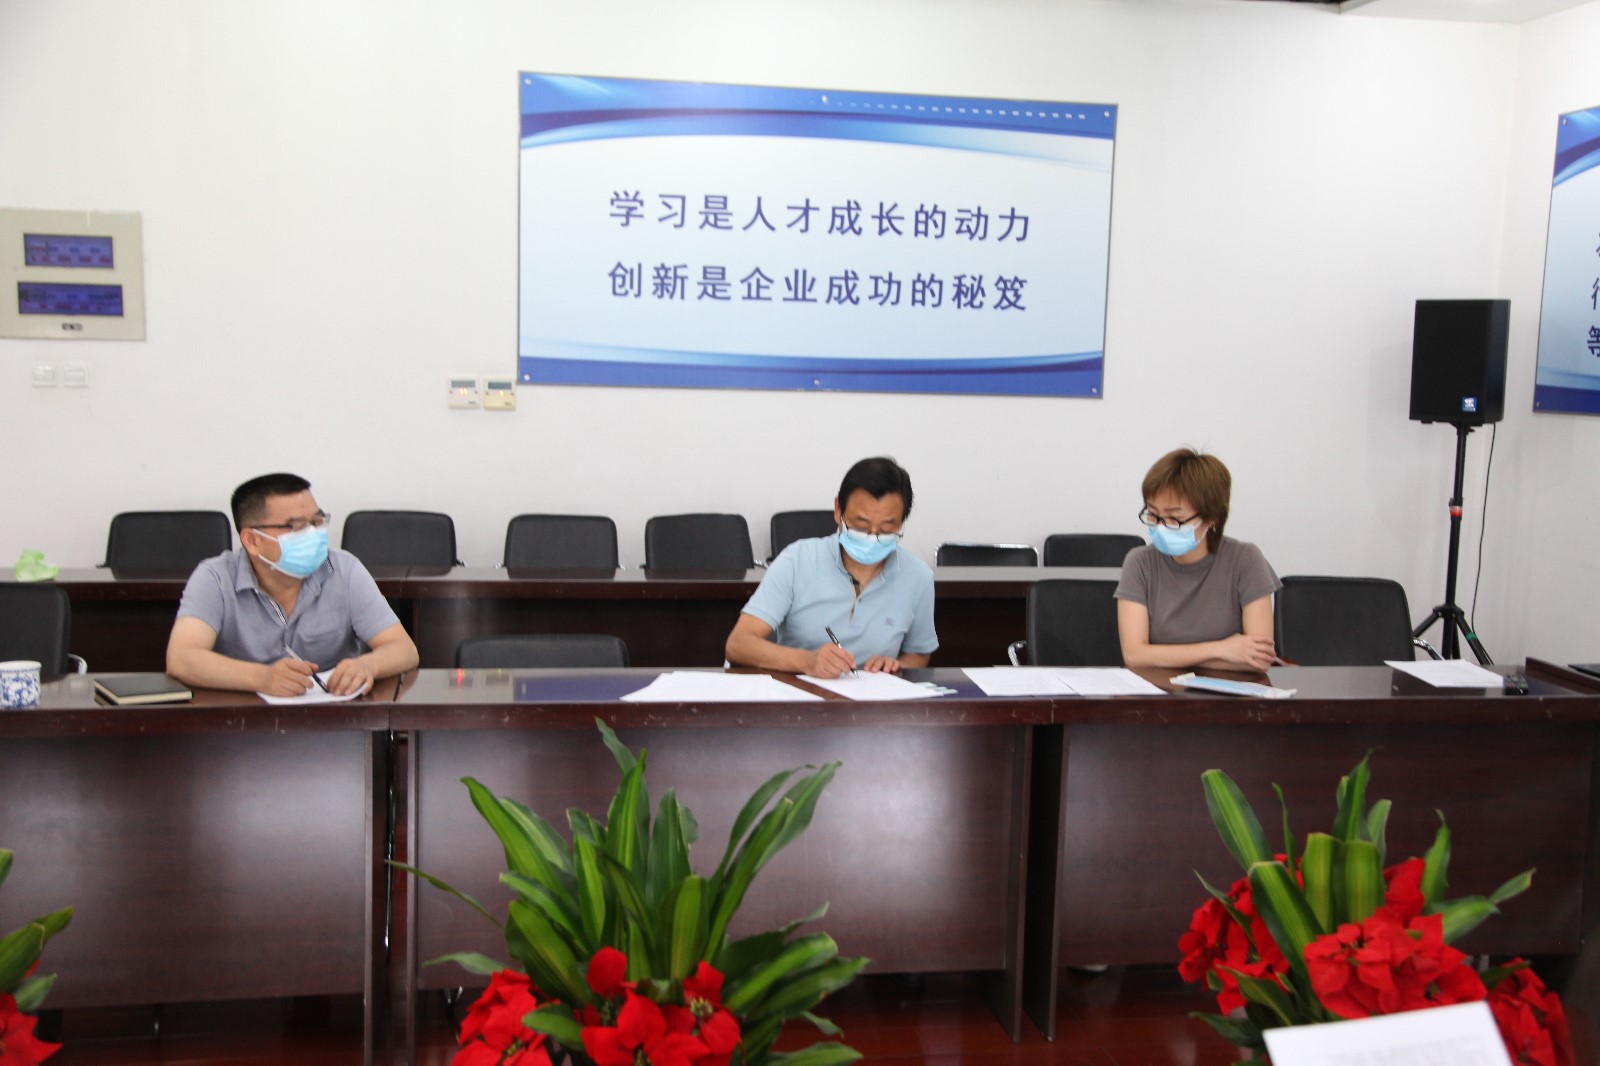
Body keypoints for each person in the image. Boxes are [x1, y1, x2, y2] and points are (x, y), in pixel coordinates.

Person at [166, 473, 420, 696]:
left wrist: (368, 665)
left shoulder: (344, 569)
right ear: (252, 540)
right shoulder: (215, 577)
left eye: (317, 522)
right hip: (240, 721)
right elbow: (182, 659)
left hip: (333, 719)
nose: (313, 534)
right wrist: (262, 678)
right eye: (297, 526)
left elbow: (404, 649)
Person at [725, 457, 937, 678]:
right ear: (838, 510)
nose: (872, 538)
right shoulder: (797, 560)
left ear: (901, 522)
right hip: (801, 692)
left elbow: (919, 654)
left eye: (886, 530)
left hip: (874, 697)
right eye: (861, 527)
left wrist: (895, 666)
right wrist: (806, 661)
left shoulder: (918, 577)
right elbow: (739, 644)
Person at [1114, 448, 1280, 671]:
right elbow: (1135, 656)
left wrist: (1163, 656)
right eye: (1153, 515)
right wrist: (1222, 650)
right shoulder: (1139, 563)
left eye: (1175, 518)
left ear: (1212, 518)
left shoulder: (1245, 560)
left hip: (1232, 690)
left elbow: (1257, 660)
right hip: (1159, 689)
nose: (1160, 526)